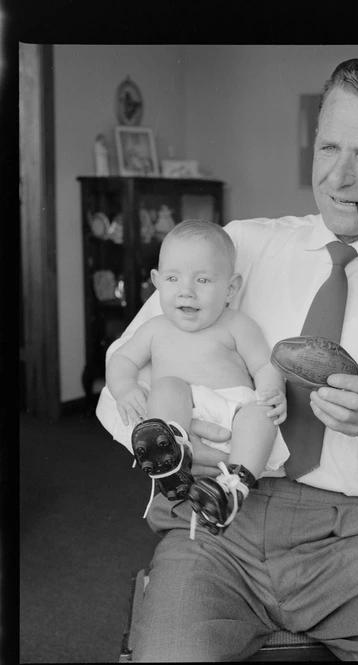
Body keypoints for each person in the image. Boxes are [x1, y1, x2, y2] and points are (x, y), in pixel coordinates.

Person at [96, 57, 358, 661]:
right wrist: (172, 448)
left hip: (349, 538)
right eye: (328, 146)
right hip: (213, 523)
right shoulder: (235, 249)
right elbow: (122, 376)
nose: (339, 177)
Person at [105, 219, 289, 533]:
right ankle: (171, 454)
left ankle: (233, 489)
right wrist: (124, 389)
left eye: (202, 280)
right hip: (181, 417)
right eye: (173, 278)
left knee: (260, 416)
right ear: (158, 281)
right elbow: (122, 358)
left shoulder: (237, 324)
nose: (186, 291)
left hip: (234, 414)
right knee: (167, 387)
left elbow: (263, 365)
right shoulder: (154, 329)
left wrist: (273, 390)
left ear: (231, 288)